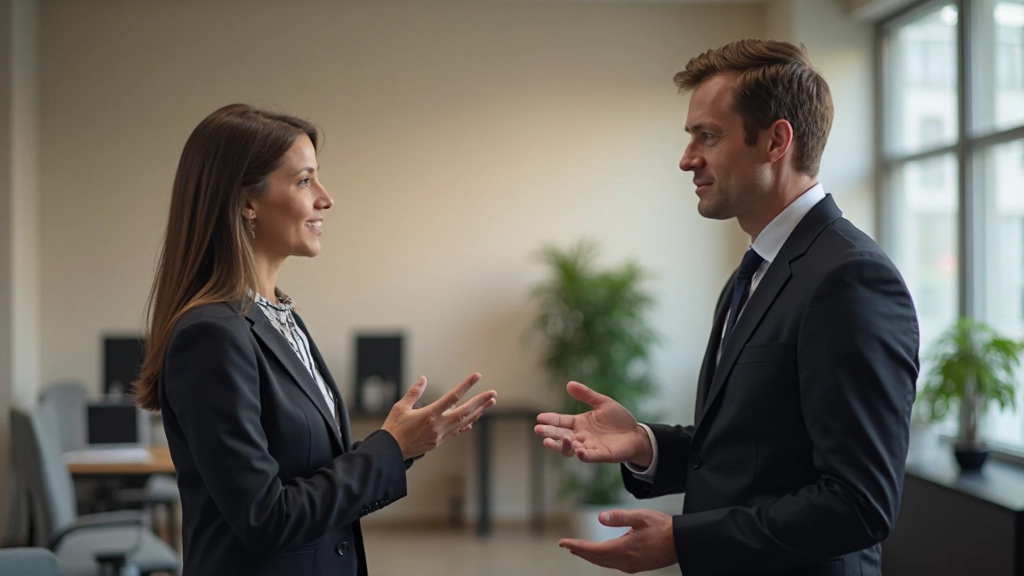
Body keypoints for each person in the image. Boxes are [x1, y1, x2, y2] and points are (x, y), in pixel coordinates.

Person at [535, 39, 919, 576]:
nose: (687, 158)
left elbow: (858, 504)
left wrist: (683, 540)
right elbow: (756, 450)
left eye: (707, 136)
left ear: (776, 141)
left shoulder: (851, 278)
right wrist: (643, 444)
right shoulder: (758, 270)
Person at [134, 103, 497, 576]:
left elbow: (310, 472)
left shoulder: (279, 316)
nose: (326, 198)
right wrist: (390, 448)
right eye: (305, 181)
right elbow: (265, 517)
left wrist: (406, 443)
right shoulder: (210, 336)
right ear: (246, 201)